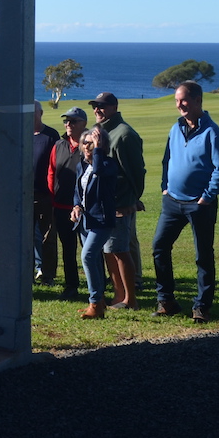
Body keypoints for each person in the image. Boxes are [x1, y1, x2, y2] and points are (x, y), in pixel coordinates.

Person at [154, 81, 219, 323]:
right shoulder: (175, 128)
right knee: (159, 247)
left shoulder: (212, 132)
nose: (179, 105)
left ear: (198, 100)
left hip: (199, 204)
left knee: (203, 255)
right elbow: (167, 160)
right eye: (177, 100)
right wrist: (165, 187)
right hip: (173, 201)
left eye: (184, 100)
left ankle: (202, 307)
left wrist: (207, 196)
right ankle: (166, 300)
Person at [89, 92, 144, 309]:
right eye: (95, 106)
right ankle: (118, 294)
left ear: (114, 107)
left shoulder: (124, 135)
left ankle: (130, 299)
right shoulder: (102, 132)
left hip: (119, 204)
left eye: (102, 106)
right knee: (108, 250)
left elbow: (135, 173)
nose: (97, 110)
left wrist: (132, 199)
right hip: (105, 205)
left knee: (120, 250)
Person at [71, 127, 119, 319]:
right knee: (95, 260)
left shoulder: (109, 164)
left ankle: (95, 302)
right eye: (85, 143)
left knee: (88, 256)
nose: (87, 147)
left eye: (91, 143)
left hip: (101, 219)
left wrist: (98, 149)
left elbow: (98, 171)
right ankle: (99, 302)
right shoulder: (81, 166)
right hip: (85, 219)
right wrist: (76, 206)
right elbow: (77, 191)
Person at [46, 106, 88, 300]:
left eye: (73, 121)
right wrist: (53, 197)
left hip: (86, 208)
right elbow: (51, 171)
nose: (68, 124)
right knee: (68, 249)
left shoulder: (89, 145)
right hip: (62, 206)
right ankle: (71, 285)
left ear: (83, 124)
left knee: (90, 249)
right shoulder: (59, 145)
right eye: (66, 121)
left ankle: (97, 285)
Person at [31, 101, 62, 285]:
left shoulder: (51, 135)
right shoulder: (22, 132)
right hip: (25, 194)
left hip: (46, 195)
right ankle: (29, 272)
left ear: (40, 113)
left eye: (33, 112)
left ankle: (47, 274)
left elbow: (57, 165)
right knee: (26, 237)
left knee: (47, 236)